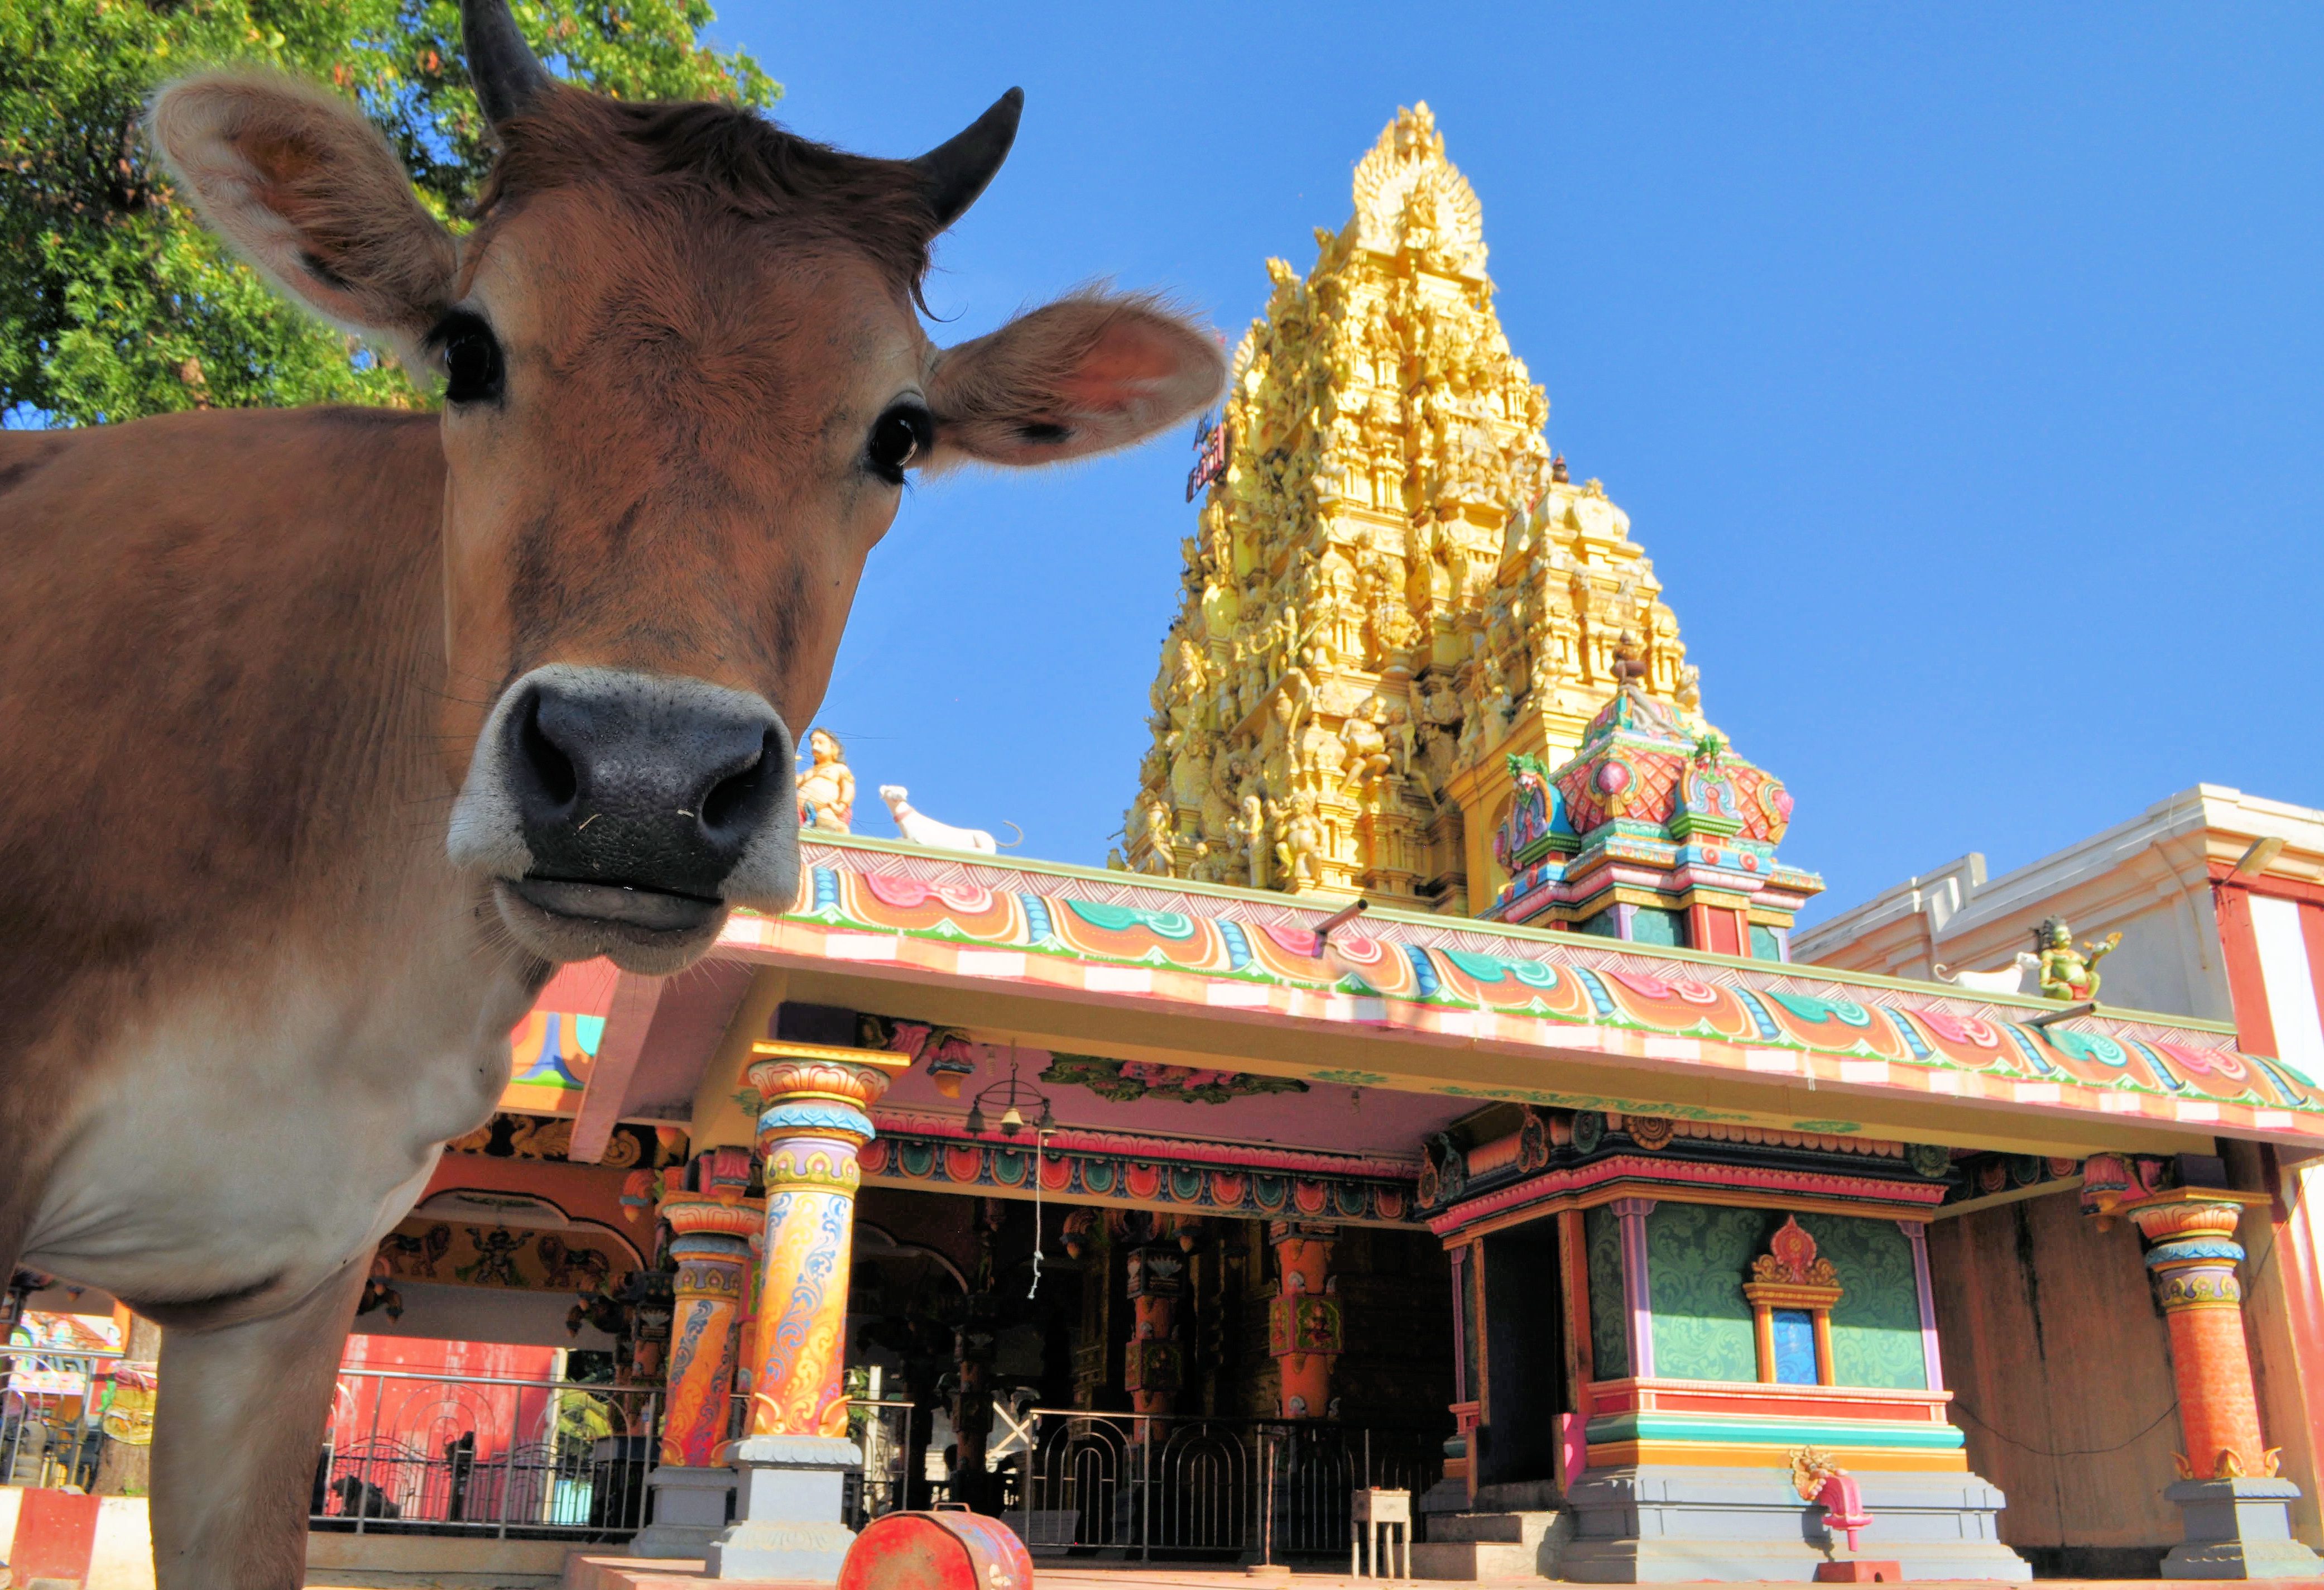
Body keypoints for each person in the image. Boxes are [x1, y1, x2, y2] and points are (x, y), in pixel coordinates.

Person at [795, 727, 856, 832]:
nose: (815, 747)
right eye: (813, 743)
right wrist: (790, 764)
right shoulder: (810, 772)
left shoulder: (839, 768)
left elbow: (848, 788)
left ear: (834, 748)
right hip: (799, 813)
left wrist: (841, 806)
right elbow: (792, 783)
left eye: (820, 743)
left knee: (833, 826)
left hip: (825, 809)